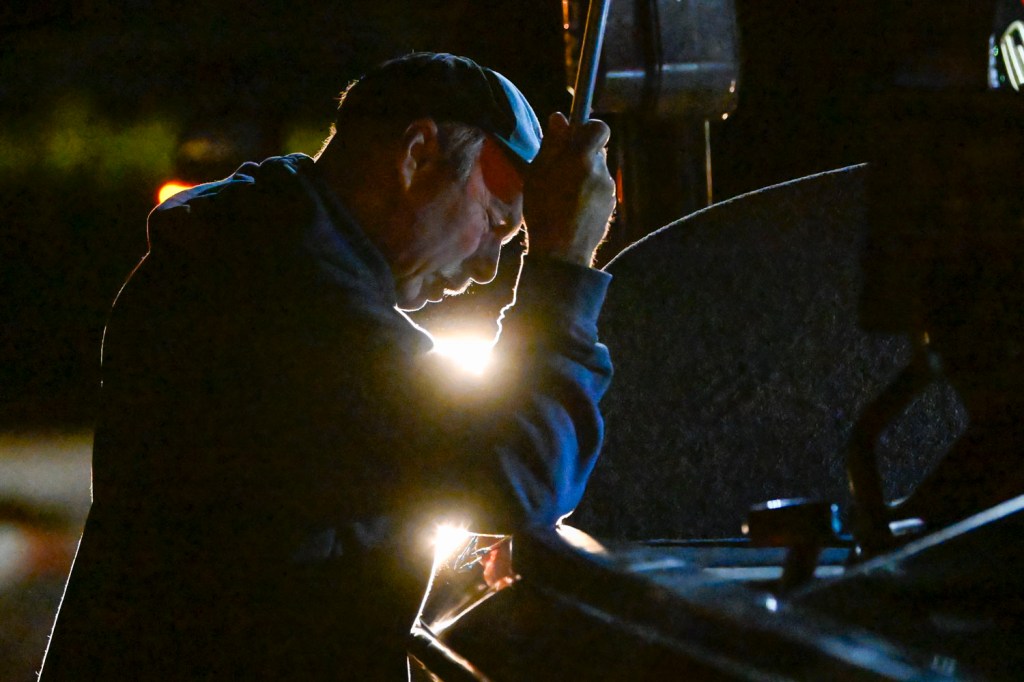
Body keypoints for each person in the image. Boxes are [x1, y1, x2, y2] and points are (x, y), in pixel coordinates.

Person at [41, 52, 616, 680]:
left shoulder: (250, 246)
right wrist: (563, 263)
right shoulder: (285, 302)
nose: (486, 267)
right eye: (494, 222)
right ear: (417, 155)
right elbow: (523, 474)